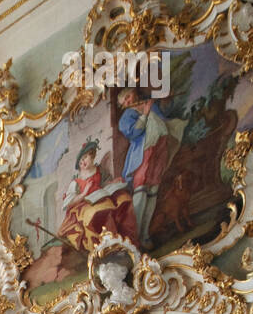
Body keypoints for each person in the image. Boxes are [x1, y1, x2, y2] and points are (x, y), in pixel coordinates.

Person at [118, 89, 185, 248]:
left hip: (160, 148)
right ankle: (134, 235)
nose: (128, 102)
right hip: (144, 152)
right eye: (124, 102)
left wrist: (165, 102)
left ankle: (145, 234)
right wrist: (144, 114)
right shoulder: (127, 116)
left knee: (153, 189)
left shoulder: (148, 103)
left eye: (128, 97)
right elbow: (133, 133)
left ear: (133, 94)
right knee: (141, 189)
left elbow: (164, 116)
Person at [58, 138, 139, 252]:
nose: (83, 162)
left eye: (85, 157)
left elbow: (104, 183)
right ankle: (106, 247)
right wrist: (84, 193)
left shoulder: (99, 171)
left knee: (123, 199)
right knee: (100, 211)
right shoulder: (76, 182)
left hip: (102, 197)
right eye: (81, 161)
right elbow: (69, 202)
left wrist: (112, 183)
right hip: (83, 205)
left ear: (92, 156)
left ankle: (128, 240)